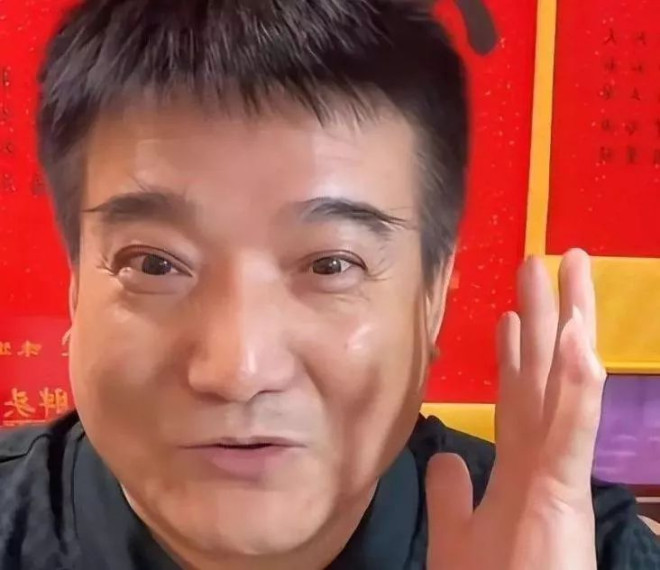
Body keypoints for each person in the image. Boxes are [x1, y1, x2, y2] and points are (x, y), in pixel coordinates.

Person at [0, 1, 658, 569]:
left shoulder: (579, 546)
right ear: (77, 288)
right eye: (154, 263)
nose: (238, 370)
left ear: (431, 301)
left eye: (330, 265)